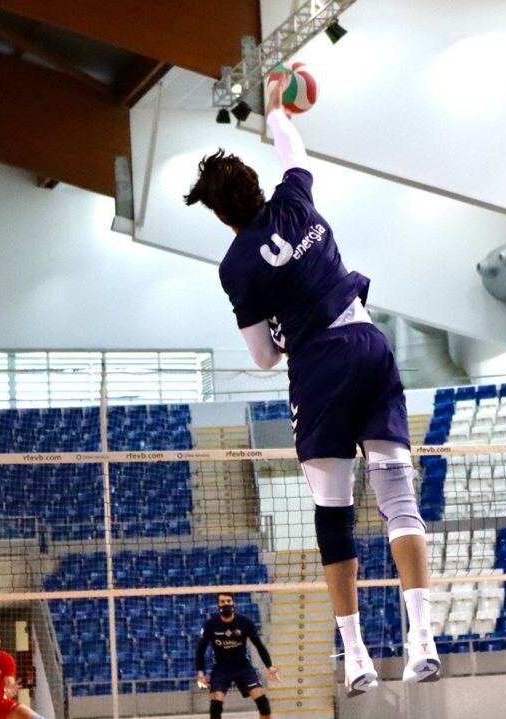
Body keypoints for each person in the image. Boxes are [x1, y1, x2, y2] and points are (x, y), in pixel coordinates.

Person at [184, 78, 439, 694]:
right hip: (371, 345)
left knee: (334, 516)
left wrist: (281, 319)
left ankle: (355, 658)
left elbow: (266, 358)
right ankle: (423, 640)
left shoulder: (237, 266)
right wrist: (275, 106)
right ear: (256, 181)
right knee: (399, 497)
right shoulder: (296, 198)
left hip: (321, 367)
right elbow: (291, 145)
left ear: (221, 214)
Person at [196, 593, 278, 719]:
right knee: (215, 709)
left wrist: (270, 666)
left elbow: (259, 646)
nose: (226, 604)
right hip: (221, 669)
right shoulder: (211, 624)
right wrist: (200, 672)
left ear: (233, 603)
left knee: (264, 705)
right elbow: (200, 650)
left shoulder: (245, 622)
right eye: (222, 602)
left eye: (228, 601)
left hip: (243, 667)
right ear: (218, 605)